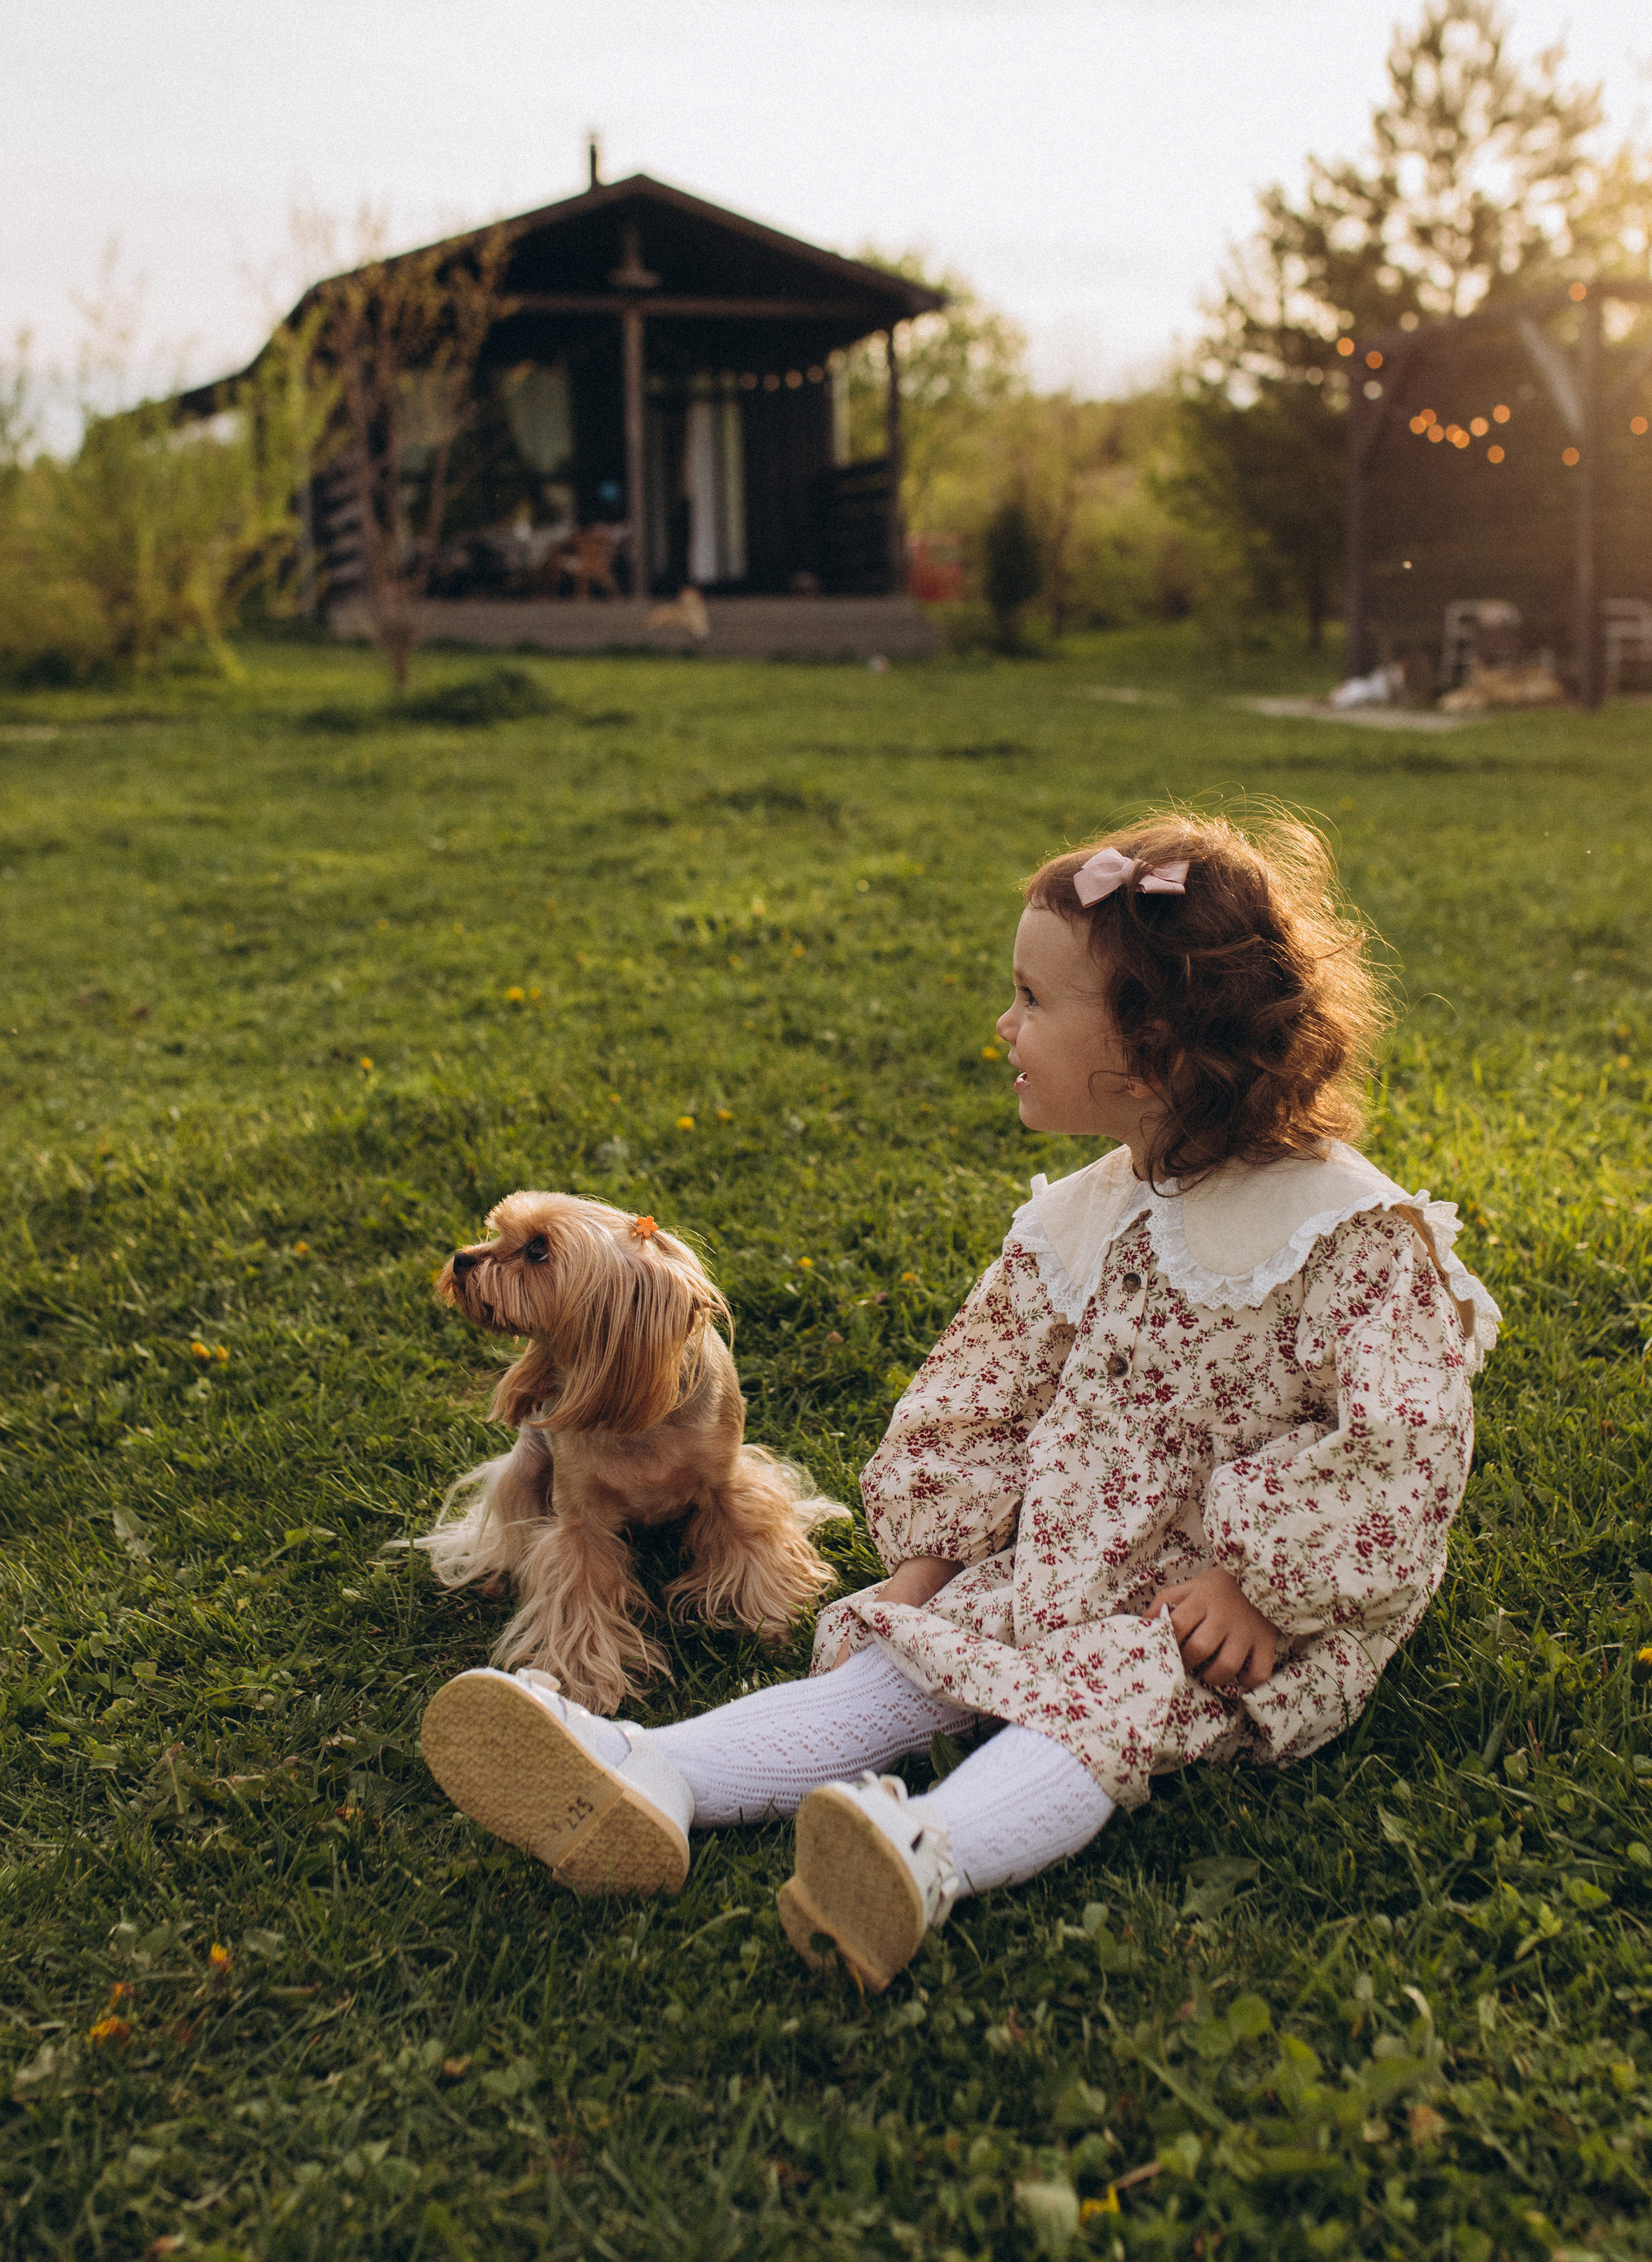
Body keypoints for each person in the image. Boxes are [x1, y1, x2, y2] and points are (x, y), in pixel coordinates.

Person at [419, 812, 1499, 1993]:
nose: (1005, 1025)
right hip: (1062, 1554)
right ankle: (646, 1768)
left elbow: (1401, 1444)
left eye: (1033, 1001)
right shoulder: (1084, 1217)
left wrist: (1263, 1584)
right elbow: (981, 1391)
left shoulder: (1340, 1234)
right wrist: (936, 1553)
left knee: (1102, 1706)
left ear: (1154, 1053)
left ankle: (928, 1852)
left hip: (1214, 1610)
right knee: (903, 1662)